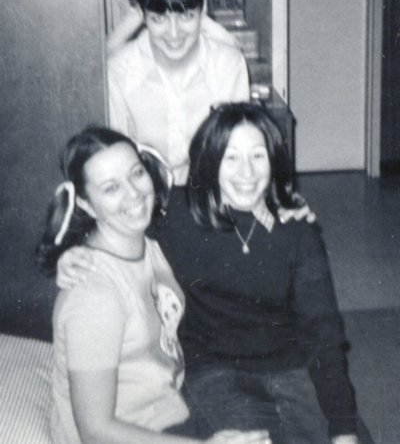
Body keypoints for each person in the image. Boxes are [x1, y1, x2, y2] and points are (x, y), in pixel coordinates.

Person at [57, 104, 357, 443]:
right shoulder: (177, 217)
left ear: (274, 160)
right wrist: (68, 252)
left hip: (289, 367)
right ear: (210, 160)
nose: (246, 171)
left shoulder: (297, 230)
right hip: (215, 370)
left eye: (258, 156)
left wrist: (344, 427)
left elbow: (324, 333)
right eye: (231, 157)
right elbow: (109, 227)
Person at [36, 126, 271, 444]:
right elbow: (95, 431)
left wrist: (287, 212)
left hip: (169, 413)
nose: (133, 193)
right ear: (87, 206)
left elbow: (233, 216)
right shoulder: (93, 296)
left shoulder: (150, 243)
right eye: (111, 188)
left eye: (136, 173)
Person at [107, 0, 249, 186]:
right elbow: (114, 160)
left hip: (209, 194)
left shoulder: (228, 65)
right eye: (159, 19)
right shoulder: (119, 71)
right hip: (140, 200)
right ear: (142, 15)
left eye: (186, 16)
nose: (174, 34)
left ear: (202, 10)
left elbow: (237, 152)